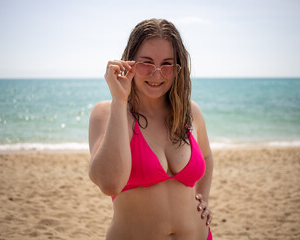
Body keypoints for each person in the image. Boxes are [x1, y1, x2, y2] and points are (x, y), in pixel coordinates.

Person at [88, 18, 213, 240]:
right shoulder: (107, 113)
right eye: (146, 62)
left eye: (167, 63)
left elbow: (206, 156)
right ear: (129, 62)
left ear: (178, 68)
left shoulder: (189, 112)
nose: (157, 73)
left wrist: (203, 196)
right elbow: (110, 184)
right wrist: (119, 99)